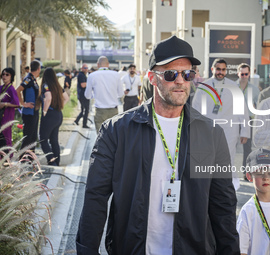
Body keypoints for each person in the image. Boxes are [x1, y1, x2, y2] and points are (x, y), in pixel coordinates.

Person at [77, 35, 239, 255]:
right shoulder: (116, 131)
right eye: (171, 74)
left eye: (188, 74)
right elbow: (95, 198)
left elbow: (223, 205)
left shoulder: (211, 134)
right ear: (152, 78)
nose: (181, 81)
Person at [192, 58, 250, 189]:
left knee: (228, 157)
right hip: (207, 130)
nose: (221, 72)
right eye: (218, 69)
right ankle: (209, 186)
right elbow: (195, 110)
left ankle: (229, 186)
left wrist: (245, 131)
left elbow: (242, 110)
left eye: (223, 70)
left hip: (229, 130)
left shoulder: (234, 86)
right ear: (213, 69)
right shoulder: (203, 87)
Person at [85, 56, 124, 132]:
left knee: (100, 137)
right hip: (113, 110)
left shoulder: (92, 76)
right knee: (113, 136)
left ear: (97, 64)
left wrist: (95, 95)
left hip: (100, 110)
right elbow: (120, 94)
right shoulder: (116, 75)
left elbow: (87, 96)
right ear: (108, 64)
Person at [39, 68, 68, 166]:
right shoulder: (58, 86)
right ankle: (57, 161)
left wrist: (44, 111)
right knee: (54, 140)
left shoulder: (46, 85)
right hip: (58, 115)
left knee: (43, 139)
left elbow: (48, 98)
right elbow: (66, 98)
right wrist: (60, 106)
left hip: (49, 115)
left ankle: (52, 161)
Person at [237, 63, 260, 169]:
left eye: (246, 74)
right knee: (231, 145)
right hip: (234, 119)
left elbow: (259, 106)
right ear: (238, 73)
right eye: (242, 74)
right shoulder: (232, 86)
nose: (244, 76)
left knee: (247, 148)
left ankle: (246, 170)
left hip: (249, 120)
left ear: (249, 74)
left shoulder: (254, 89)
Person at [16, 60, 41, 152]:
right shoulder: (29, 79)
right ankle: (22, 159)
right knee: (28, 137)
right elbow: (17, 90)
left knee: (33, 137)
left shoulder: (33, 79)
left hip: (34, 112)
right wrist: (23, 103)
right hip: (29, 113)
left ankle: (30, 158)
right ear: (39, 69)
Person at [0, 68, 19, 147]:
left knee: (6, 137)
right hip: (0, 116)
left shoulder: (11, 89)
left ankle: (8, 157)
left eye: (7, 75)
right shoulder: (1, 87)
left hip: (7, 117)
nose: (4, 76)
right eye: (3, 74)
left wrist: (5, 104)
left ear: (11, 77)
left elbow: (17, 103)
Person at [74, 64, 90, 128]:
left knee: (84, 110)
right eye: (85, 68)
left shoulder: (83, 75)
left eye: (87, 68)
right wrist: (90, 82)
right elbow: (83, 85)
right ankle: (84, 124)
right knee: (86, 110)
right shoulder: (81, 75)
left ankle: (77, 120)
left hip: (83, 95)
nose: (86, 69)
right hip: (83, 95)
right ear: (82, 68)